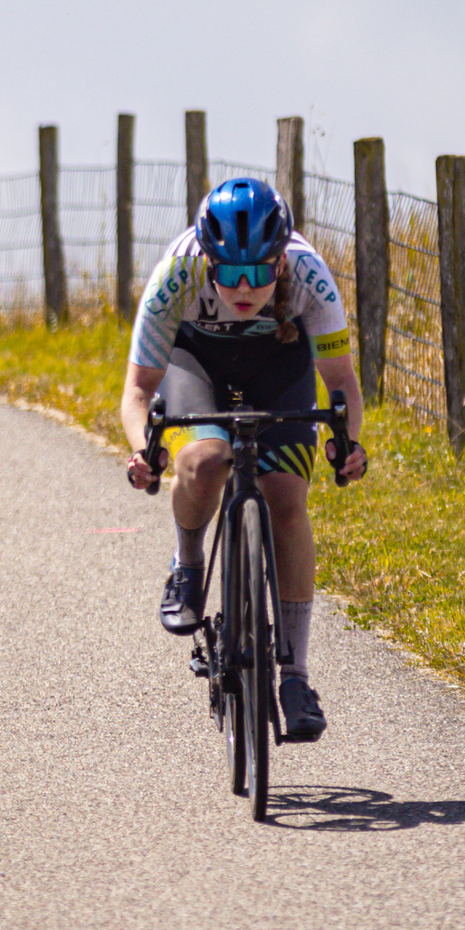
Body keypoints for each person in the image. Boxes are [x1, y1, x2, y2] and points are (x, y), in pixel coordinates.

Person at [118, 175, 367, 742]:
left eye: (260, 270)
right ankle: (188, 564)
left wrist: (345, 443)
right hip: (197, 361)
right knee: (204, 462)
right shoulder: (176, 274)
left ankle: (297, 677)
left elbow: (342, 383)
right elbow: (138, 391)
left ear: (282, 260)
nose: (245, 287)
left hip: (280, 362)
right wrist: (143, 448)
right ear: (207, 259)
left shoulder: (310, 275)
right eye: (230, 273)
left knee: (284, 499)